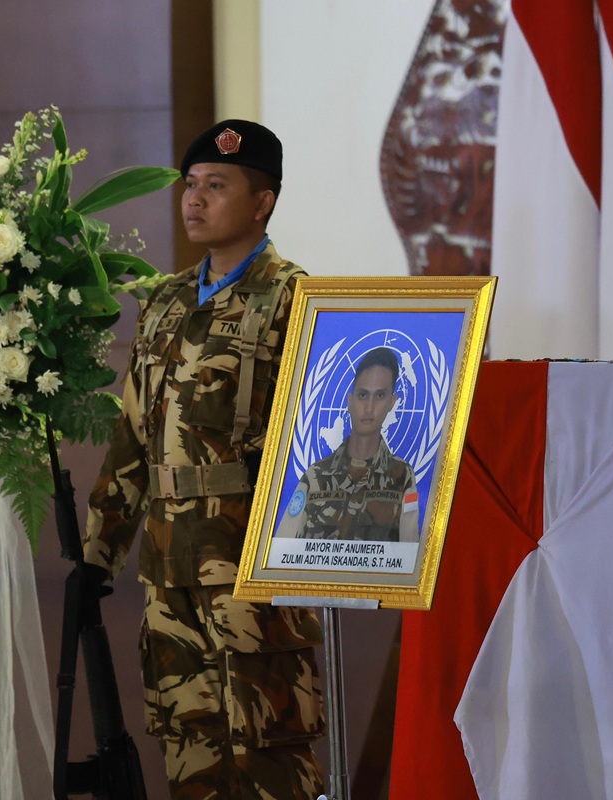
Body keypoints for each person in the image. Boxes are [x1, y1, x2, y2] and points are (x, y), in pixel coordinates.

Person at [82, 119, 325, 798]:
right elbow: (132, 436)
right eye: (191, 184)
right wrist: (99, 553)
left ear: (262, 201)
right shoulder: (165, 301)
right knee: (190, 749)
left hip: (251, 568)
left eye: (216, 186)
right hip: (169, 568)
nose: (194, 199)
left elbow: (318, 438)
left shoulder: (294, 298)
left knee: (269, 754)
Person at [275, 347, 420, 543]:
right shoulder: (316, 476)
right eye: (362, 395)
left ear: (391, 402)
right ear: (350, 401)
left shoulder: (402, 476)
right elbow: (283, 548)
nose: (369, 408)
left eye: (379, 396)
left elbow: (409, 551)